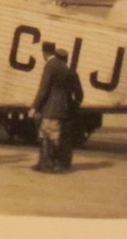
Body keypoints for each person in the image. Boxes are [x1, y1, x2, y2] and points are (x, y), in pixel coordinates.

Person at [29, 40, 71, 172]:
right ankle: (48, 163)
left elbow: (44, 88)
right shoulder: (64, 66)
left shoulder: (50, 65)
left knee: (46, 134)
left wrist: (35, 106)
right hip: (61, 104)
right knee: (53, 134)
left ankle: (48, 164)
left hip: (51, 106)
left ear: (44, 53)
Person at [54, 47, 85, 172]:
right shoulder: (72, 73)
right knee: (67, 138)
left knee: (59, 136)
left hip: (59, 109)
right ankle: (65, 163)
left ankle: (60, 162)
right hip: (69, 110)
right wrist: (74, 105)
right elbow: (79, 94)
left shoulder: (57, 72)